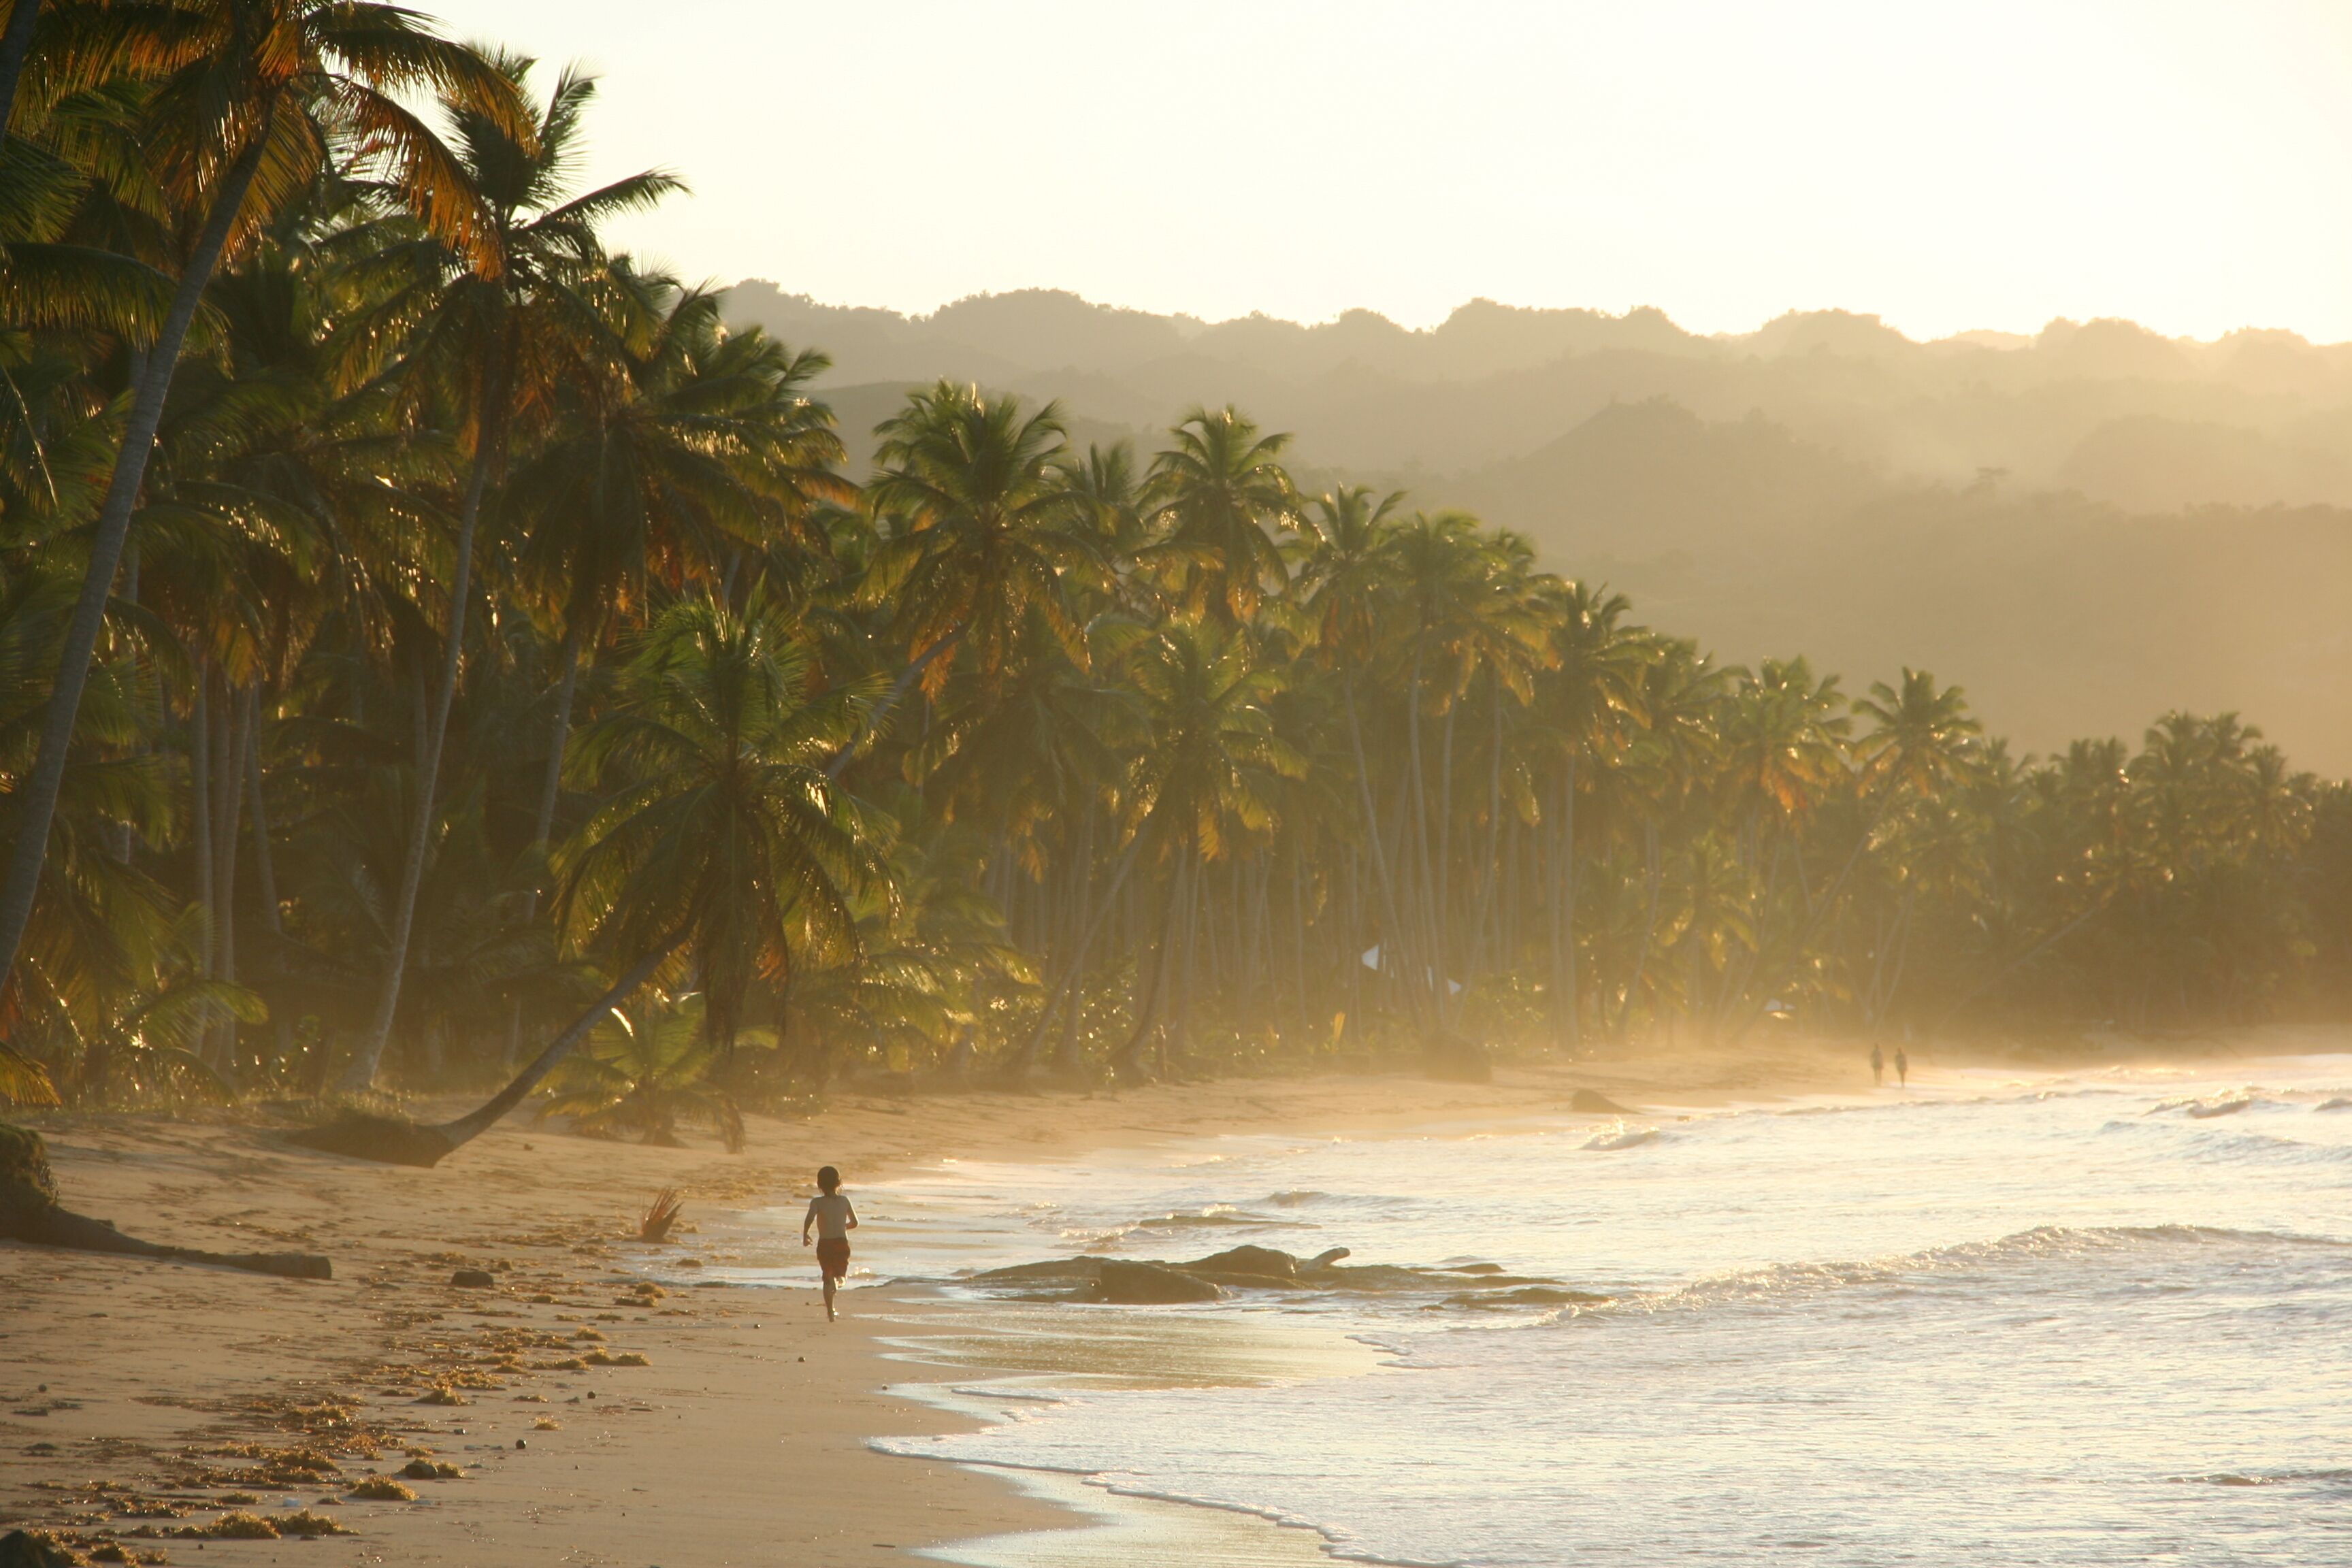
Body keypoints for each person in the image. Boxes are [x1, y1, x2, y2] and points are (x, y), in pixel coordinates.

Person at [801, 1165, 858, 1322]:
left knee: (827, 1277)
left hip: (825, 1244)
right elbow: (855, 1223)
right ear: (839, 1183)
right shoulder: (844, 1200)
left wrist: (805, 1234)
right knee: (841, 1276)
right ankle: (837, 1284)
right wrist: (843, 1226)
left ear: (819, 1184)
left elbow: (809, 1218)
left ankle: (830, 1312)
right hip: (841, 1243)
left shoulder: (817, 1202)